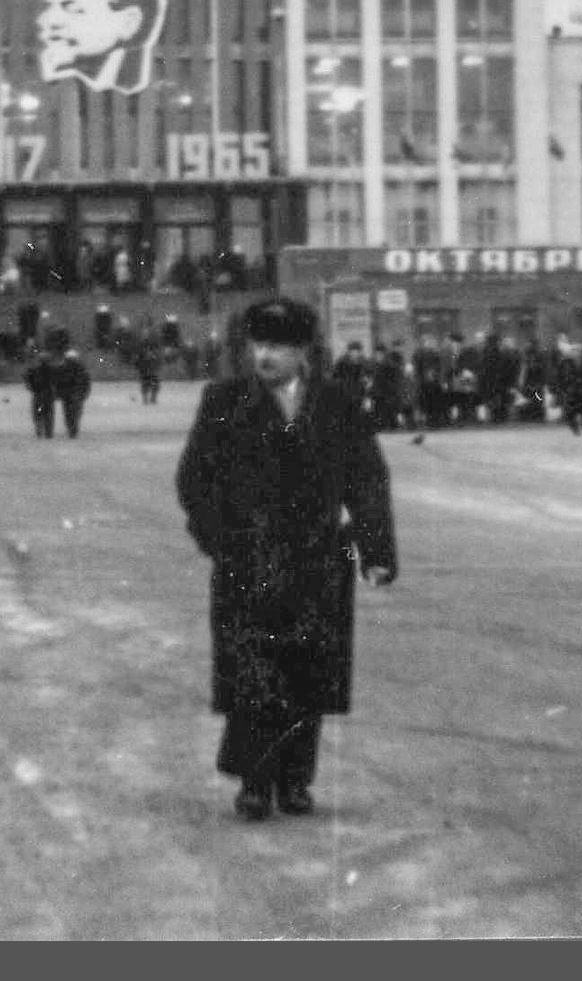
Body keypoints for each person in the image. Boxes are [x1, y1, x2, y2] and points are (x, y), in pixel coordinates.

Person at [175, 295, 397, 822]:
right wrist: (220, 541)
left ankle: (296, 781)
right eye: (259, 344)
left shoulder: (338, 402)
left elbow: (367, 478)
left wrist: (376, 550)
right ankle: (255, 784)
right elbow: (193, 480)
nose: (265, 355)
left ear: (304, 353)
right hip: (248, 561)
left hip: (318, 559)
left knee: (309, 674)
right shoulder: (223, 400)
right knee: (255, 673)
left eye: (278, 346)